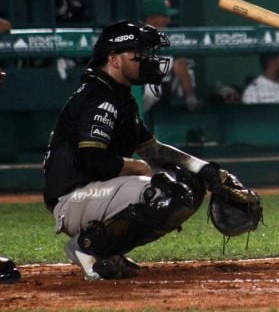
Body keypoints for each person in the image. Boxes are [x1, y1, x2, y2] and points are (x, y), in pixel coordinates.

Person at [42, 20, 251, 280]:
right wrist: (136, 167)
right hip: (73, 198)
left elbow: (154, 151)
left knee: (190, 184)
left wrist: (206, 170)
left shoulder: (119, 96)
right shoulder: (100, 96)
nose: (147, 59)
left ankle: (110, 249)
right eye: (138, 53)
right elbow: (92, 160)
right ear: (114, 59)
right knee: (166, 193)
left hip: (94, 193)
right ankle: (90, 249)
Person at [140, 0, 199, 112]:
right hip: (136, 89)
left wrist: (190, 98)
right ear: (152, 17)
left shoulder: (168, 36)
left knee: (188, 68)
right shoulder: (135, 36)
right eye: (165, 16)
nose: (169, 20)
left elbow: (180, 65)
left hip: (163, 89)